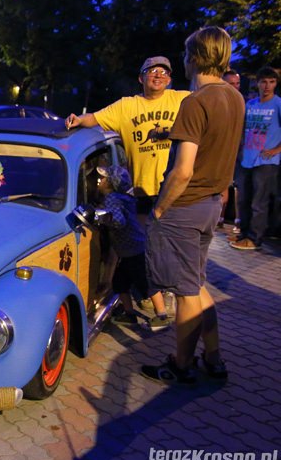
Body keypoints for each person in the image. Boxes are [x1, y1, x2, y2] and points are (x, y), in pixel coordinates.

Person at [141, 26, 245, 384]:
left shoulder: (195, 101)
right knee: (198, 284)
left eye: (186, 54)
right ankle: (213, 357)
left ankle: (181, 365)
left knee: (185, 292)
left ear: (196, 57)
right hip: (212, 203)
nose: (184, 61)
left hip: (184, 208)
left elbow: (183, 170)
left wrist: (158, 210)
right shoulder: (235, 97)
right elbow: (221, 146)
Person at [66, 57, 190, 223]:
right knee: (148, 242)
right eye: (152, 71)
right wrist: (79, 120)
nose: (158, 75)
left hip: (175, 189)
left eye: (163, 72)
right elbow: (95, 117)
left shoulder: (183, 100)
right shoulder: (126, 106)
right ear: (141, 78)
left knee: (173, 242)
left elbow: (208, 104)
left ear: (169, 80)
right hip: (143, 191)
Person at [94, 165, 170, 331]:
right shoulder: (123, 198)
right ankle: (129, 314)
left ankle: (162, 316)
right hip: (130, 250)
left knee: (145, 283)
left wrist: (100, 217)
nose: (100, 181)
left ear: (111, 183)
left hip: (133, 250)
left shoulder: (112, 199)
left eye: (104, 178)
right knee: (120, 282)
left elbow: (118, 221)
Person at [230, 66, 281, 250]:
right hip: (247, 159)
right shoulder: (251, 104)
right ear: (257, 83)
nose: (267, 86)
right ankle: (243, 233)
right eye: (264, 81)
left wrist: (276, 150)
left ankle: (255, 237)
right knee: (244, 199)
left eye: (271, 82)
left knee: (259, 202)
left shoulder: (278, 104)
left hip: (266, 162)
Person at [221, 69, 243, 233]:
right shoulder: (219, 102)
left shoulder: (243, 103)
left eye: (237, 84)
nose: (235, 87)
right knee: (222, 185)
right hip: (221, 151)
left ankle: (237, 221)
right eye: (231, 84)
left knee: (237, 187)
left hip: (240, 152)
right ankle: (219, 218)